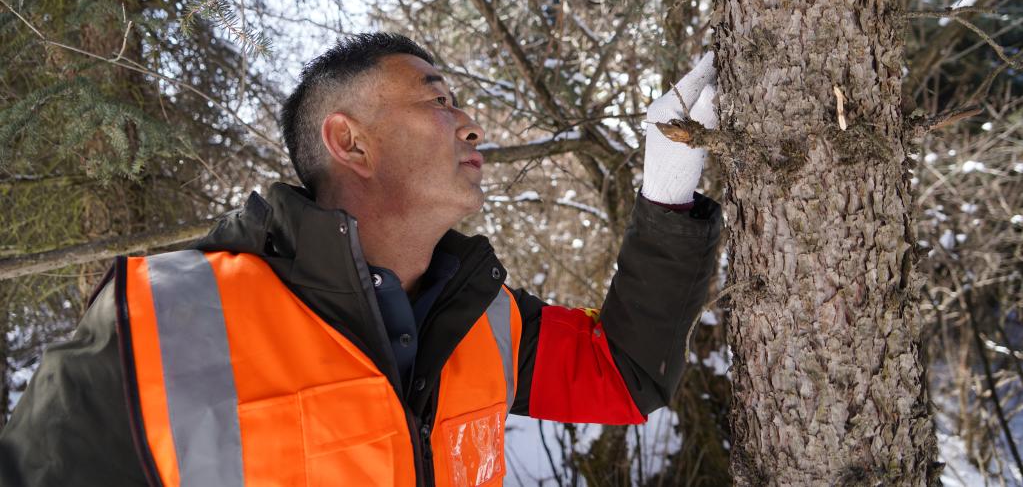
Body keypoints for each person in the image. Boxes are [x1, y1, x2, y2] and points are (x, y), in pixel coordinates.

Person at [0, 33, 722, 486]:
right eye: (437, 99)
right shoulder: (162, 317)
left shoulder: (477, 315)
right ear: (350, 144)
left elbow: (621, 375)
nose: (470, 122)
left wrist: (666, 191)